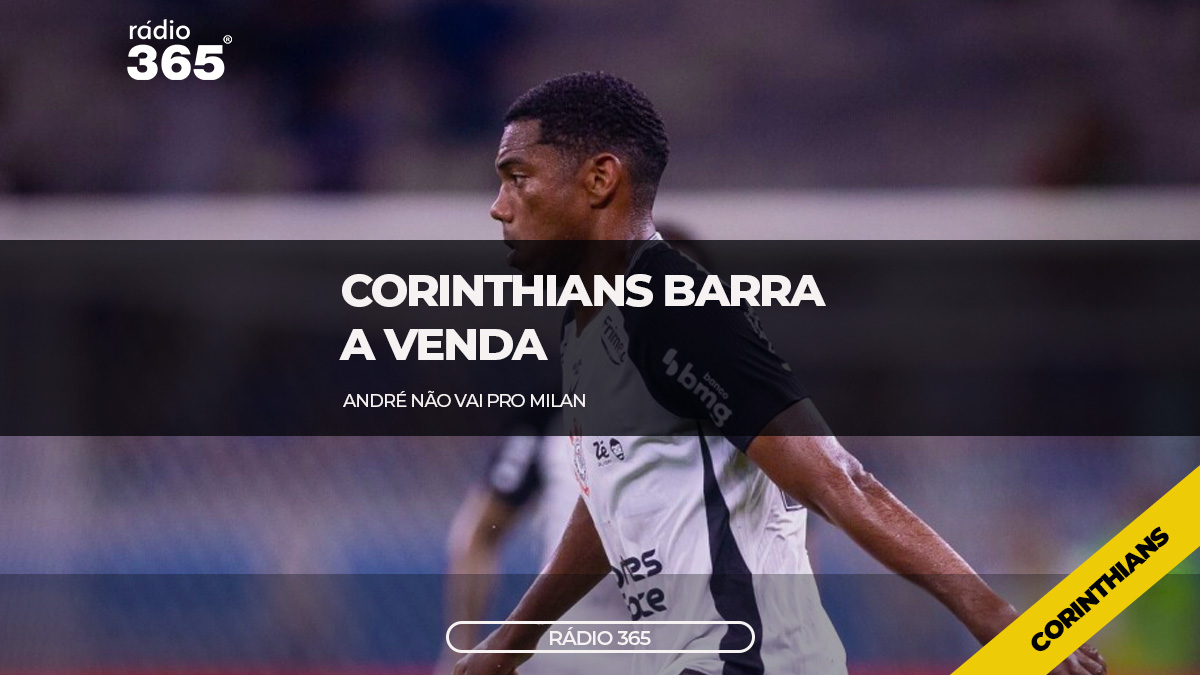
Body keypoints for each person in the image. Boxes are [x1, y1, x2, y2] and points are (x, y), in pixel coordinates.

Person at [454, 71, 1107, 675]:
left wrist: (995, 617)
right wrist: (510, 643)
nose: (499, 206)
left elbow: (839, 478)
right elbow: (612, 500)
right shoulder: (588, 326)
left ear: (600, 179)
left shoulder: (674, 308)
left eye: (517, 177)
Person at [435, 416, 627, 675]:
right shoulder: (547, 415)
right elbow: (479, 534)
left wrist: (502, 642)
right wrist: (464, 648)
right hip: (581, 634)